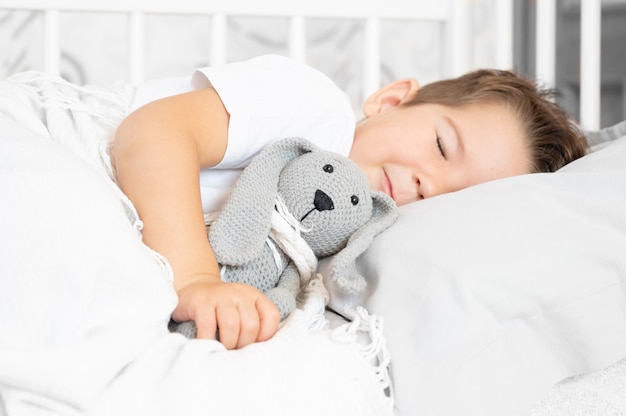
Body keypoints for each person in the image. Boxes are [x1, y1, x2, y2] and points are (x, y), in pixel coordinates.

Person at [112, 54, 588, 351]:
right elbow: (153, 133)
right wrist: (197, 280)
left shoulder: (351, 240)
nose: (430, 183)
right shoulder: (320, 112)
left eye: (457, 197)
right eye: (442, 146)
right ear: (391, 100)